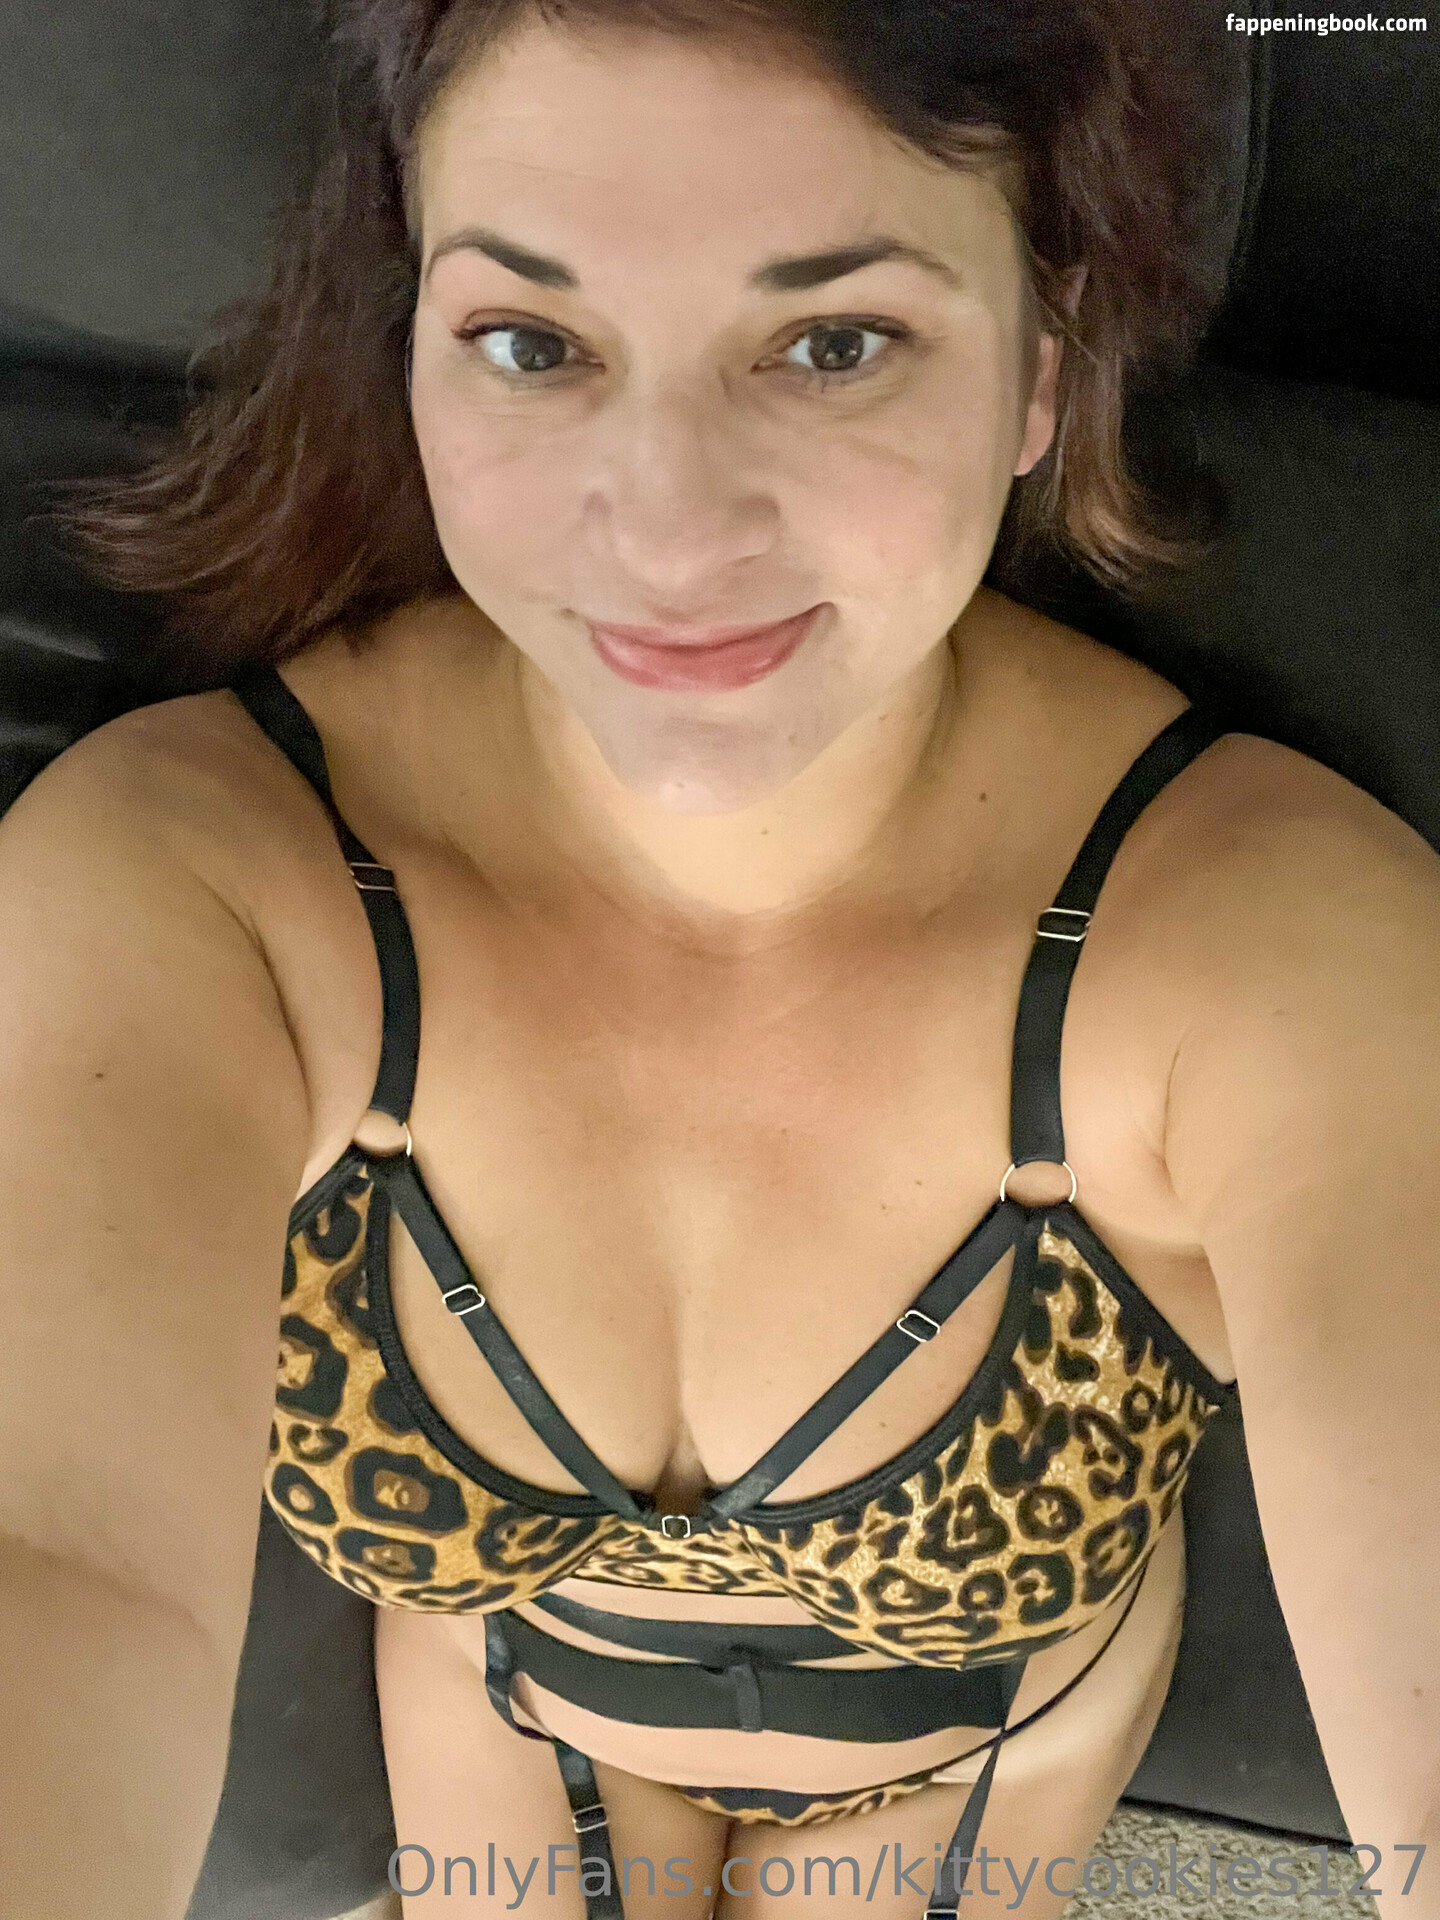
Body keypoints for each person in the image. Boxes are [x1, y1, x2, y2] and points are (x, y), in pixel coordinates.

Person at [1, 2, 1436, 1917]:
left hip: (976, 1751)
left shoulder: (1274, 945)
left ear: (1039, 367)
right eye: (533, 342)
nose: (669, 529)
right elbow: (57, 1562)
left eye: (835, 343)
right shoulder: (193, 885)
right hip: (516, 1709)